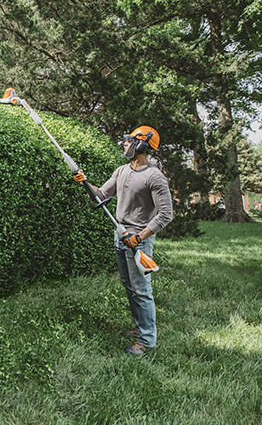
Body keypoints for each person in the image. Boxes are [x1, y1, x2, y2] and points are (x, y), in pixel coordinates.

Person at [73, 126, 173, 355]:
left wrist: (140, 236)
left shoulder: (154, 177)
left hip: (139, 240)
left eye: (129, 141)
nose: (124, 145)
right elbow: (101, 195)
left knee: (141, 290)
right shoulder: (121, 171)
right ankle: (140, 328)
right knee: (129, 286)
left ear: (141, 145)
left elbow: (165, 214)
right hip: (120, 235)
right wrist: (85, 183)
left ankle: (147, 340)